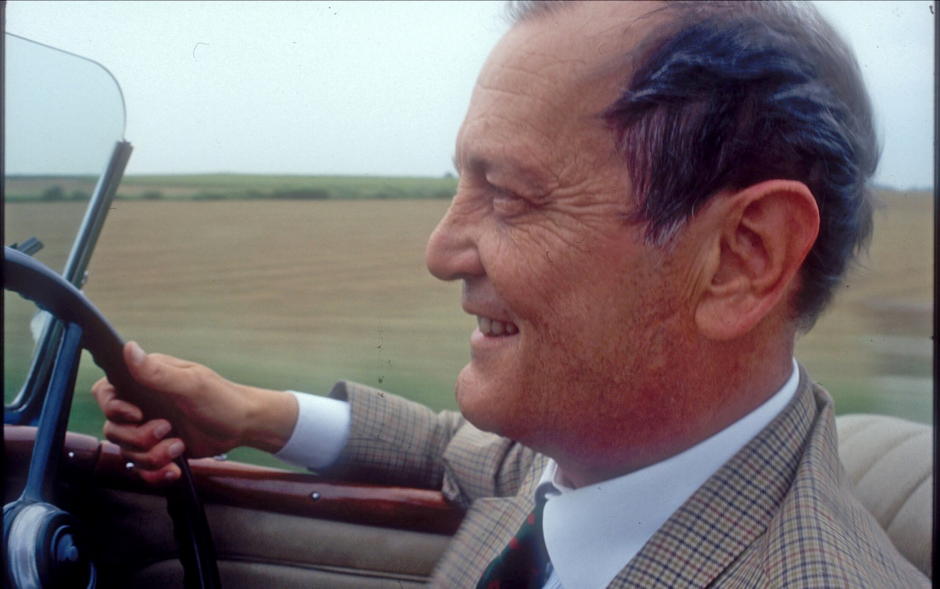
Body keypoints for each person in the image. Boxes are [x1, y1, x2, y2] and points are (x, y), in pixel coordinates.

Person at [93, 1, 929, 587]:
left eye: (511, 196)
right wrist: (247, 412)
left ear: (742, 257)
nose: (441, 250)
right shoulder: (633, 452)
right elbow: (463, 452)